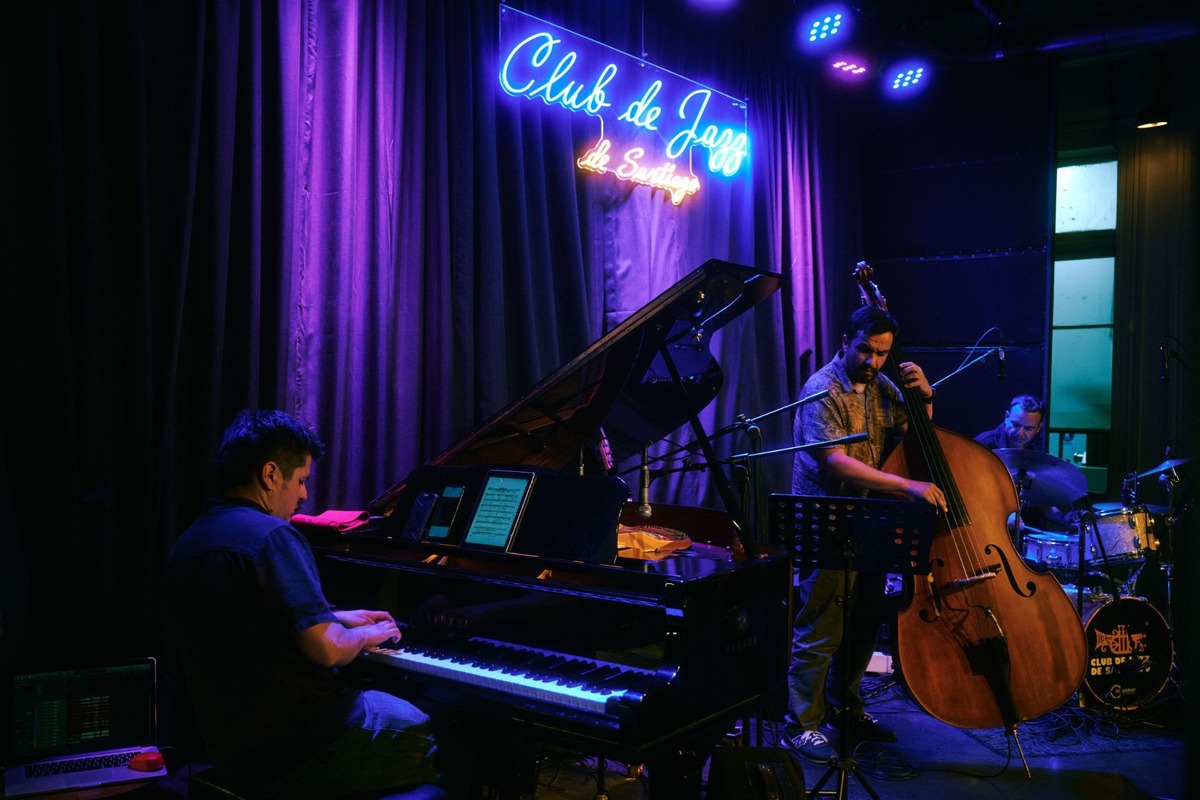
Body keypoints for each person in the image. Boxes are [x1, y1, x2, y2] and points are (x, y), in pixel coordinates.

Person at [166, 409, 440, 798]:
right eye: (300, 480)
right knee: (431, 724)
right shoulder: (272, 535)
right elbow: (328, 650)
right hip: (304, 748)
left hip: (235, 752)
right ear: (270, 474)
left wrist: (333, 616)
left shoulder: (192, 540)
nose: (303, 495)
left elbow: (252, 621)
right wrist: (369, 634)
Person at [782, 307, 947, 764]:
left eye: (882, 353)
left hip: (869, 522)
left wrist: (925, 398)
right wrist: (907, 486)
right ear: (845, 341)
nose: (872, 361)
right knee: (821, 628)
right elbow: (834, 461)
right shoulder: (822, 388)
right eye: (865, 350)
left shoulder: (880, 386)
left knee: (863, 625)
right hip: (827, 522)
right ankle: (802, 724)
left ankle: (846, 709)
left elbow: (914, 434)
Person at [973, 394, 1046, 451]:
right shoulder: (982, 445)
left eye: (1028, 428)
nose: (1020, 433)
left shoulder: (1035, 451)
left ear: (1038, 428)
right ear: (1006, 417)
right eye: (1016, 425)